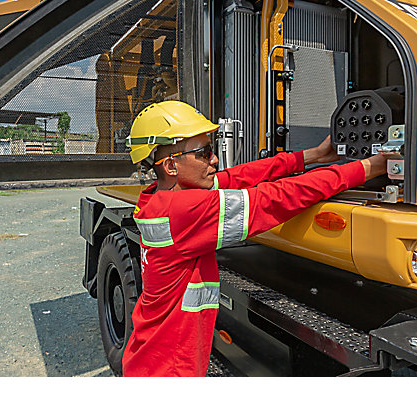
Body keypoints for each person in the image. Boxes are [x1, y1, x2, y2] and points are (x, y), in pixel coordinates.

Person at [123, 100, 387, 377]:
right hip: (168, 371)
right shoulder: (184, 211)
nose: (214, 160)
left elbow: (240, 176)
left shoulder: (159, 197)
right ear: (171, 166)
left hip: (151, 357)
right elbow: (277, 198)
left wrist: (313, 156)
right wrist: (369, 167)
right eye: (204, 152)